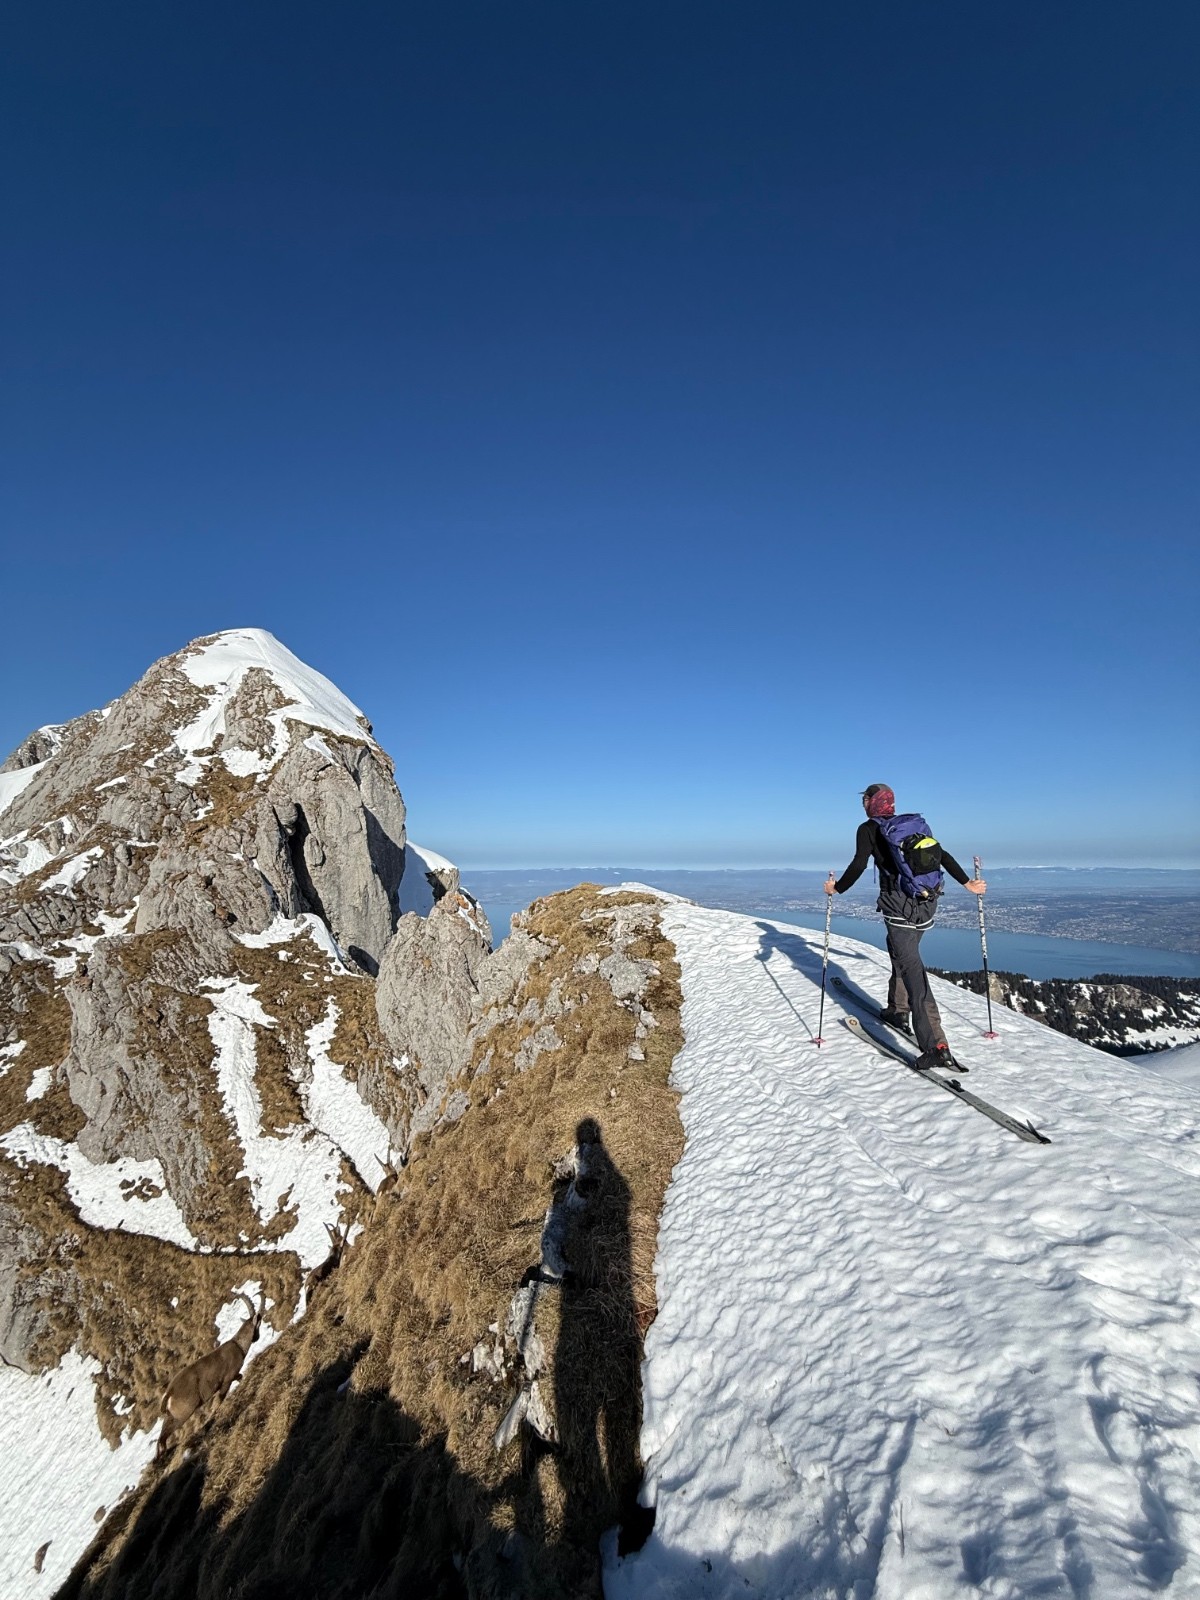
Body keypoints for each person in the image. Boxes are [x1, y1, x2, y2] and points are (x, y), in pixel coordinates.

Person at [824, 784, 986, 1071]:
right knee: (899, 951)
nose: (863, 804)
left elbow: (859, 864)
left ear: (871, 802)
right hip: (926, 902)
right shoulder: (912, 826)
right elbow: (943, 855)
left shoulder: (868, 829)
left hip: (898, 905)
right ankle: (898, 1010)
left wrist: (836, 888)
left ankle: (936, 1045)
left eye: (865, 800)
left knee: (912, 968)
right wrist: (967, 884)